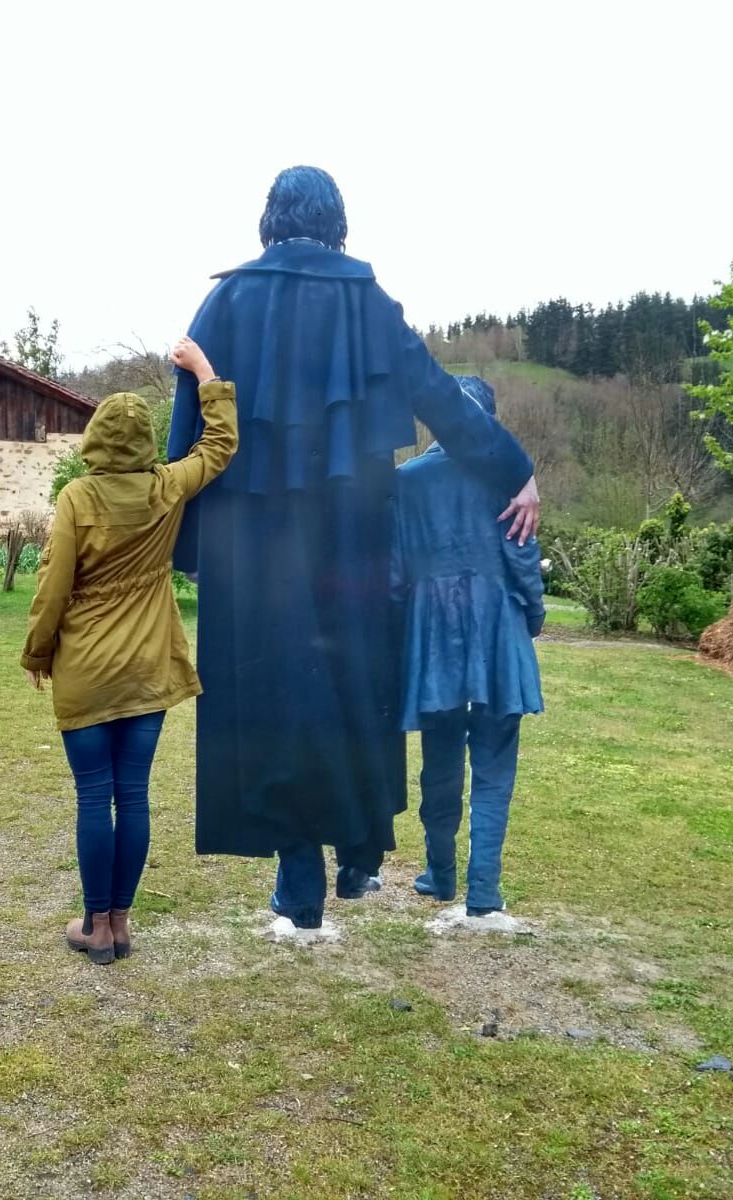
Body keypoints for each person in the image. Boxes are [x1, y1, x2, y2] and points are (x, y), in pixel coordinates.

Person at [167, 166, 539, 934]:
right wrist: (515, 468)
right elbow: (441, 398)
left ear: (270, 218)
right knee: (349, 692)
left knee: (275, 700)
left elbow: (189, 427)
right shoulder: (369, 303)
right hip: (352, 542)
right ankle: (354, 856)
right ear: (337, 221)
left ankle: (301, 882)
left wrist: (189, 541)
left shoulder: (225, 302)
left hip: (254, 544)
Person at [22, 337, 238, 964]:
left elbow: (53, 586)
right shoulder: (166, 487)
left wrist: (38, 653)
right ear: (145, 441)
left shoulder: (77, 498)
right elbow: (219, 445)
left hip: (87, 670)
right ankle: (118, 923)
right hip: (148, 667)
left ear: (94, 439)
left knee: (95, 796)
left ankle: (94, 927)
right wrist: (204, 372)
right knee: (133, 795)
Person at [393, 376, 545, 916]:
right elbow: (523, 557)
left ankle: (440, 873)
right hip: (497, 630)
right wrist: (532, 616)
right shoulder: (508, 477)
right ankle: (483, 890)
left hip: (434, 634)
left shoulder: (406, 480)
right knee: (495, 767)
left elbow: (395, 572)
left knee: (439, 760)